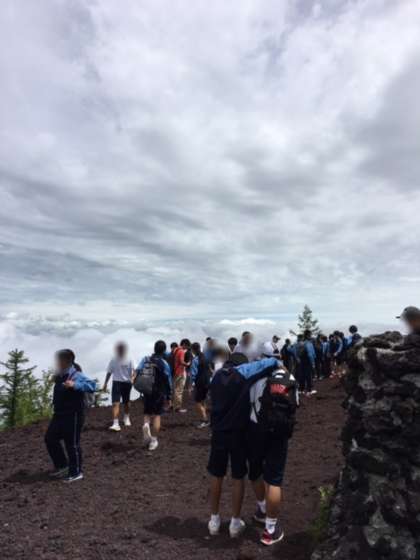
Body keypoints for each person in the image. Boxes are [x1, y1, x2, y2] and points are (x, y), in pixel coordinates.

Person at [207, 352, 281, 538]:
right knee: (238, 476)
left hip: (218, 433)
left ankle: (214, 521)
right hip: (239, 434)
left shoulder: (216, 377)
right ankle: (234, 522)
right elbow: (271, 362)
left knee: (217, 475)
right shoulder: (243, 373)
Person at [247, 366, 298, 545]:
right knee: (274, 479)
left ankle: (262, 508)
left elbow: (249, 404)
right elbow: (294, 406)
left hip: (256, 429)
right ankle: (270, 530)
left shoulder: (255, 378)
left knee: (255, 472)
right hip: (279, 432)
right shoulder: (288, 378)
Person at [45, 349, 96, 482]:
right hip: (59, 414)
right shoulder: (61, 374)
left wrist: (75, 385)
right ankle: (62, 466)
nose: (57, 362)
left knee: (72, 444)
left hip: (73, 415)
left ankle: (76, 472)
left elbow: (92, 385)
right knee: (50, 438)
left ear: (67, 361)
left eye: (59, 360)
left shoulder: (76, 375)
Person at [135, 340, 172, 451]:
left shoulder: (146, 359)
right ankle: (154, 440)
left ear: (154, 348)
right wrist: (169, 396)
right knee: (157, 415)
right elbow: (168, 381)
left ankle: (146, 425)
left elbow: (137, 370)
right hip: (158, 393)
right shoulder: (164, 363)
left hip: (146, 391)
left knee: (147, 412)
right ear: (164, 350)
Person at [103, 342, 134, 432]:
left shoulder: (130, 359)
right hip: (116, 382)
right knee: (115, 403)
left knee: (126, 402)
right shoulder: (113, 359)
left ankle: (126, 417)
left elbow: (135, 370)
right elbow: (109, 371)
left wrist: (133, 378)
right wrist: (105, 383)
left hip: (127, 383)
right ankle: (116, 423)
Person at [191, 342, 211, 428]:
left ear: (193, 350)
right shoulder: (206, 357)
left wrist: (190, 385)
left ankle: (205, 419)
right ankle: (204, 418)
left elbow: (193, 374)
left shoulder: (195, 360)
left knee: (197, 401)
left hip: (199, 383)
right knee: (203, 400)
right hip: (207, 381)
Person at [173, 339, 191, 413]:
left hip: (175, 371)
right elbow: (181, 361)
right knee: (179, 390)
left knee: (176, 389)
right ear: (184, 344)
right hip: (180, 371)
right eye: (186, 346)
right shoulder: (181, 351)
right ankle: (178, 407)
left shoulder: (175, 350)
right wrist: (188, 364)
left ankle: (175, 406)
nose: (186, 348)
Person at [298, 330, 317, 396]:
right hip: (308, 361)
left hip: (302, 361)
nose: (311, 336)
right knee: (308, 375)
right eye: (310, 335)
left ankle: (301, 390)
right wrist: (313, 363)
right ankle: (309, 390)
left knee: (302, 375)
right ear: (308, 335)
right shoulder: (309, 343)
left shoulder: (301, 343)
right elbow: (310, 354)